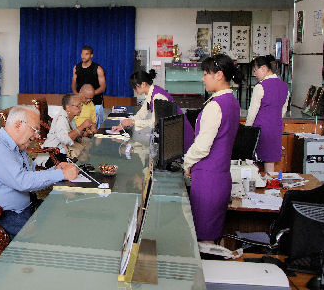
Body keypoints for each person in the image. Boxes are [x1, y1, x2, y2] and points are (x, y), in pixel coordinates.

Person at [0, 106, 78, 240]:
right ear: (18, 124)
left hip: (13, 211)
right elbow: (22, 181)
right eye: (34, 130)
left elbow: (31, 172)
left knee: (61, 213)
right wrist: (61, 175)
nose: (37, 136)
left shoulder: (17, 147)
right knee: (50, 232)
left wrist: (56, 170)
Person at [183, 54, 241, 243]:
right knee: (212, 236)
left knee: (203, 240)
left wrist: (186, 162)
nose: (203, 78)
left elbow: (202, 146)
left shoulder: (215, 105)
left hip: (208, 181)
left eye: (206, 73)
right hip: (221, 177)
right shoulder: (232, 102)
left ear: (219, 75)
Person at [112, 69, 194, 152]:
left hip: (180, 132)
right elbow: (142, 113)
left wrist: (132, 122)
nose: (134, 90)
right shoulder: (150, 93)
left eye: (135, 87)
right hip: (172, 131)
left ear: (143, 84)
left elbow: (154, 122)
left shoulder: (157, 95)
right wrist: (124, 125)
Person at [245, 55, 290, 173]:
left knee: (251, 162)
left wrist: (247, 132)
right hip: (275, 128)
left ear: (263, 68)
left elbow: (252, 113)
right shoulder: (285, 87)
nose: (255, 74)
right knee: (270, 164)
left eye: (255, 70)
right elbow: (283, 111)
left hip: (260, 129)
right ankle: (272, 189)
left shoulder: (260, 87)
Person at [42, 93, 93, 158]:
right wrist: (82, 126)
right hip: (53, 153)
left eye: (81, 105)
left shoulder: (70, 117)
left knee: (89, 147)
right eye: (78, 106)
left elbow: (73, 134)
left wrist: (83, 133)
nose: (81, 108)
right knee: (84, 155)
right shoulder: (61, 119)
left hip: (62, 149)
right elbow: (66, 140)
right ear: (68, 108)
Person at [72, 45, 106, 128]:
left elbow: (103, 87)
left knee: (97, 128)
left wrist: (89, 95)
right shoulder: (76, 68)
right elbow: (74, 83)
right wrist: (78, 95)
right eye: (82, 54)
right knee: (81, 128)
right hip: (81, 103)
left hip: (96, 104)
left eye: (86, 54)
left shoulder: (98, 69)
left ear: (91, 55)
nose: (83, 56)